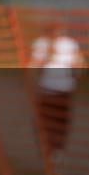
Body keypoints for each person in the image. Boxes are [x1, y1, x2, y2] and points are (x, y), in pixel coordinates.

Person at [30, 21, 85, 164]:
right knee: (46, 121)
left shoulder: (68, 44)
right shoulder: (41, 44)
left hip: (62, 89)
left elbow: (79, 64)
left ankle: (56, 150)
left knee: (58, 121)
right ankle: (48, 149)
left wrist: (76, 72)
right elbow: (35, 65)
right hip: (49, 89)